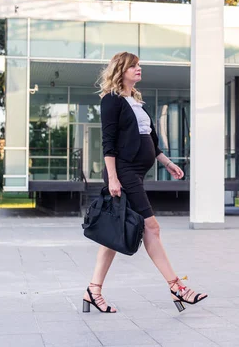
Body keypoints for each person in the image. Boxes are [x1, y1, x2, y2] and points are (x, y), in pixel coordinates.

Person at [82, 52, 208, 314]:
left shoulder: (135, 101)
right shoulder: (111, 101)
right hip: (124, 172)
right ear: (121, 69)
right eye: (134, 66)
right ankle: (176, 286)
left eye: (139, 65)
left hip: (136, 173)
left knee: (114, 233)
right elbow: (108, 142)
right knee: (152, 228)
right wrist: (113, 177)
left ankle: (93, 290)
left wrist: (167, 162)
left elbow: (150, 139)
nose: (139, 69)